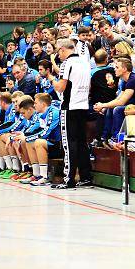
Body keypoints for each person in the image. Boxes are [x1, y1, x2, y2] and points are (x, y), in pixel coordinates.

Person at [52, 38, 92, 190]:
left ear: (63, 49)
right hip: (83, 105)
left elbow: (61, 87)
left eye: (58, 52)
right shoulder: (85, 62)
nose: (59, 55)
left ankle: (68, 179)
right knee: (82, 142)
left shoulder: (66, 63)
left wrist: (51, 79)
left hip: (70, 107)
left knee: (69, 143)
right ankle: (86, 177)